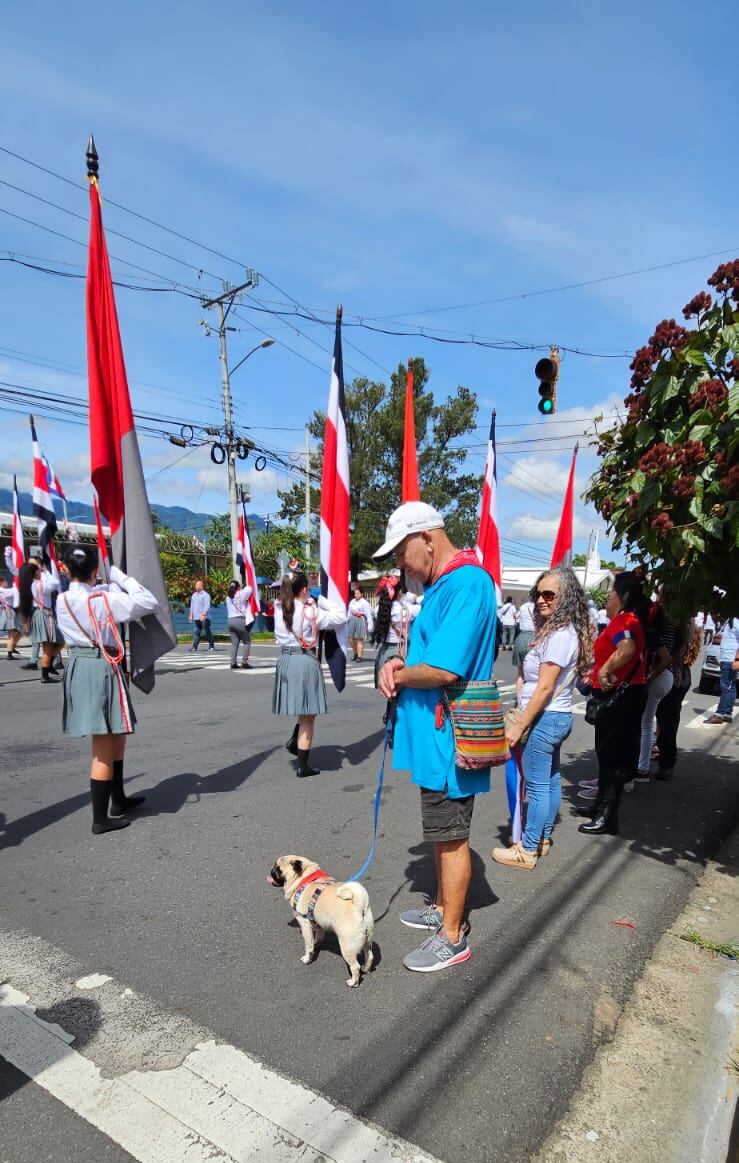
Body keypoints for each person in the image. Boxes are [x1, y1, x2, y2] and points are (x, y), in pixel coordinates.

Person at [375, 501, 497, 973]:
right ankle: (445, 909)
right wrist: (397, 665)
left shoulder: (467, 582)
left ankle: (452, 934)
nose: (399, 564)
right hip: (437, 734)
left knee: (451, 834)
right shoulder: (448, 583)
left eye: (401, 552)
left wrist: (401, 677)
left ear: (427, 538)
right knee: (440, 829)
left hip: (452, 735)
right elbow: (425, 655)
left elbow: (446, 668)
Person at [55, 544, 159, 835]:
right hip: (101, 665)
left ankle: (118, 800)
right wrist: (120, 578)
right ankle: (100, 819)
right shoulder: (102, 599)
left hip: (81, 663)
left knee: (116, 733)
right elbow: (147, 601)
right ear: (94, 571)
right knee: (103, 744)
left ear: (65, 568)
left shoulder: (62, 599)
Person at [493, 568, 593, 870]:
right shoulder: (557, 631)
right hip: (554, 717)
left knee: (537, 787)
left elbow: (546, 687)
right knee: (548, 783)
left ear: (566, 599)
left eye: (549, 595)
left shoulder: (561, 635)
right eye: (538, 593)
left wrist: (521, 723)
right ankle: (543, 839)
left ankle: (528, 849)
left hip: (544, 718)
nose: (540, 600)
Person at [577, 573, 648, 837]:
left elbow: (627, 649)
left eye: (610, 595)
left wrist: (605, 670)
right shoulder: (621, 620)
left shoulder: (626, 621)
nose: (606, 600)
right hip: (617, 696)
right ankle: (601, 805)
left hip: (620, 698)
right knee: (605, 753)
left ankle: (609, 814)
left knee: (613, 756)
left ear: (624, 597)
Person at [273, 569, 347, 778]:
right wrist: (322, 600)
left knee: (305, 707)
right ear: (305, 589)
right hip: (304, 660)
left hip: (285, 660)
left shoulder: (280, 609)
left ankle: (294, 741)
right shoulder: (310, 612)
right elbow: (340, 616)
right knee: (309, 715)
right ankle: (303, 766)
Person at [633, 593, 676, 783]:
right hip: (667, 677)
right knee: (648, 722)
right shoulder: (676, 624)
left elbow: (665, 659)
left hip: (658, 677)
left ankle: (641, 768)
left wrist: (649, 678)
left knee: (645, 723)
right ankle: (642, 766)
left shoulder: (650, 633)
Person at [653, 609, 698, 779]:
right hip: (679, 673)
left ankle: (666, 762)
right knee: (669, 719)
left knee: (666, 720)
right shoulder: (686, 619)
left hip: (672, 674)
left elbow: (669, 652)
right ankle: (665, 757)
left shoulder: (672, 619)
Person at [18, 560, 63, 683]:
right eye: (38, 569)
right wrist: (46, 571)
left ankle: (48, 667)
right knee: (49, 646)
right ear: (34, 572)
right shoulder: (39, 584)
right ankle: (45, 674)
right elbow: (55, 583)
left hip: (40, 614)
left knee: (57, 642)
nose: (40, 571)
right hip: (44, 614)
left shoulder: (30, 584)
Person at [373, 577, 421, 687]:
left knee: (388, 692)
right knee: (400, 692)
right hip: (401, 652)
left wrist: (402, 596)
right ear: (399, 592)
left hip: (384, 652)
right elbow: (421, 603)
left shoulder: (378, 610)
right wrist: (412, 596)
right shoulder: (405, 611)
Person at [705, 616, 739, 724]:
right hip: (727, 657)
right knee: (731, 686)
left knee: (726, 686)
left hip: (730, 658)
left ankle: (719, 714)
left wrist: (737, 659)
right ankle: (727, 713)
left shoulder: (736, 620)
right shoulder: (730, 619)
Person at [226, 580, 254, 670]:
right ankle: (244, 662)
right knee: (247, 641)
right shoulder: (241, 593)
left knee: (234, 643)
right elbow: (249, 589)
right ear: (238, 587)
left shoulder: (228, 596)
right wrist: (247, 581)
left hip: (230, 621)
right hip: (240, 620)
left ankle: (233, 662)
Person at [347, 585, 374, 662]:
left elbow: (368, 614)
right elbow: (349, 611)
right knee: (350, 638)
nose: (356, 595)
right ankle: (355, 653)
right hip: (352, 619)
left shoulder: (365, 603)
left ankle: (359, 656)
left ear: (362, 594)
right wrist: (347, 619)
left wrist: (370, 625)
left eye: (358, 593)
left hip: (360, 619)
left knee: (359, 639)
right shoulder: (352, 601)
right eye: (355, 593)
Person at [187, 580, 215, 652]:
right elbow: (192, 606)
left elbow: (207, 605)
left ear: (201, 586)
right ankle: (194, 647)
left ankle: (211, 646)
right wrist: (190, 615)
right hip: (196, 617)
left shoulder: (206, 595)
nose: (195, 587)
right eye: (195, 585)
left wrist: (203, 614)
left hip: (205, 618)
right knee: (196, 632)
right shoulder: (194, 595)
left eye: (197, 585)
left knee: (207, 632)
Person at [512, 595, 536, 669]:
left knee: (521, 672)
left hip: (521, 638)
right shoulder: (538, 607)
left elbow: (515, 615)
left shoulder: (523, 606)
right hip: (533, 637)